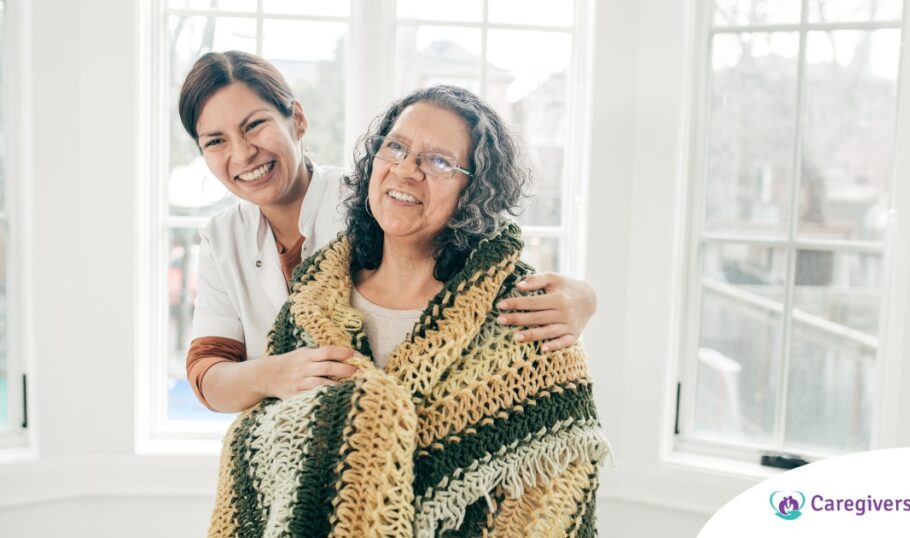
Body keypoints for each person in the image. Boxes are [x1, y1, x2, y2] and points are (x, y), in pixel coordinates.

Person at [208, 85, 609, 537]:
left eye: (438, 161)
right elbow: (256, 445)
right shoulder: (312, 303)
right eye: (395, 147)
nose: (406, 170)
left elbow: (551, 502)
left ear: (475, 188)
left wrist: (587, 297)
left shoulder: (525, 320)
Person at [177, 51, 598, 412]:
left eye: (254, 125)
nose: (242, 152)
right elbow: (206, 374)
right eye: (215, 141)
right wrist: (274, 374)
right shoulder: (222, 237)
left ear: (298, 120)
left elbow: (480, 241)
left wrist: (583, 298)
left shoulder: (380, 200)